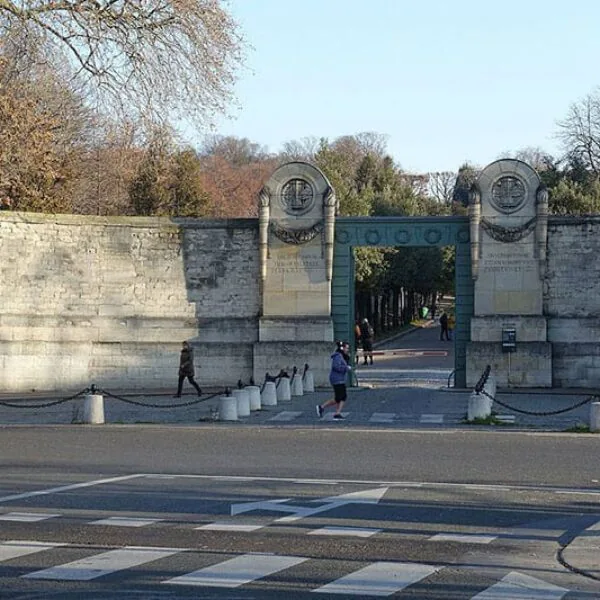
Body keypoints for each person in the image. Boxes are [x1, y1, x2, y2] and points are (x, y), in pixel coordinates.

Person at [316, 341, 352, 420]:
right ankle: (322, 407)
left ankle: (337, 413)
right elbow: (336, 367)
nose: (347, 350)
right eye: (346, 348)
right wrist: (346, 368)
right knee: (339, 397)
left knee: (343, 396)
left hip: (340, 379)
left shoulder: (342, 356)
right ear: (342, 348)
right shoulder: (338, 356)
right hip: (337, 379)